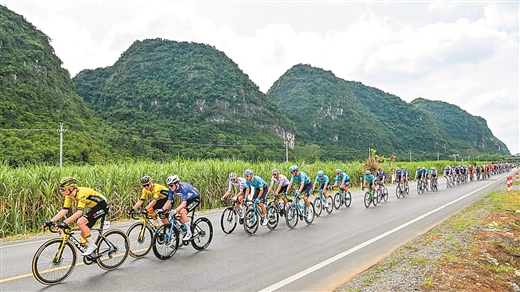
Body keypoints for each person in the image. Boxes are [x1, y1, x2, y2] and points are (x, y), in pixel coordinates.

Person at [43, 177, 109, 256]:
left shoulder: (81, 193)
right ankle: (95, 250)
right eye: (60, 189)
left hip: (102, 206)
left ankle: (92, 245)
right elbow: (64, 210)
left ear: (71, 188)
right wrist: (51, 221)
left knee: (80, 222)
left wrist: (65, 222)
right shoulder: (69, 195)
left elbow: (79, 212)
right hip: (94, 208)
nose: (61, 191)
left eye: (63, 189)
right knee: (83, 233)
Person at [161, 175, 201, 241]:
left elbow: (184, 204)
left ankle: (189, 233)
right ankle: (187, 227)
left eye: (171, 185)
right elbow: (169, 201)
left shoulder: (183, 188)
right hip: (188, 199)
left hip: (195, 199)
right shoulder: (171, 189)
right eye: (169, 185)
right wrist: (162, 209)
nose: (170, 187)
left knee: (182, 212)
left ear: (176, 184)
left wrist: (175, 210)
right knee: (178, 217)